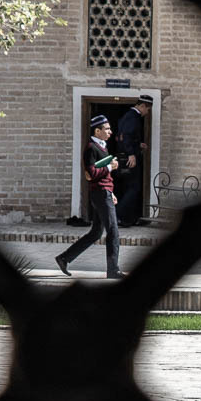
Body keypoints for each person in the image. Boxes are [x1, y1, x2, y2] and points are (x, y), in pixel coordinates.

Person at [55, 114, 122, 279]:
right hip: (100, 194)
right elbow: (91, 174)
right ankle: (113, 270)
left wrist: (111, 192)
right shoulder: (91, 148)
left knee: (96, 233)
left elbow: (103, 176)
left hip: (103, 193)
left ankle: (64, 258)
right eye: (107, 129)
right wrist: (110, 167)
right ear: (97, 131)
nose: (110, 132)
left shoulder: (102, 146)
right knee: (113, 230)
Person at [115, 95, 152, 226]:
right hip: (128, 158)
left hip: (123, 157)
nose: (147, 113)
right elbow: (125, 136)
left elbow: (122, 136)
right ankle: (117, 214)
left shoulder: (127, 116)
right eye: (147, 110)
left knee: (128, 188)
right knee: (134, 188)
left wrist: (138, 145)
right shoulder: (133, 117)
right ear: (142, 106)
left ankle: (126, 219)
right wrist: (131, 153)